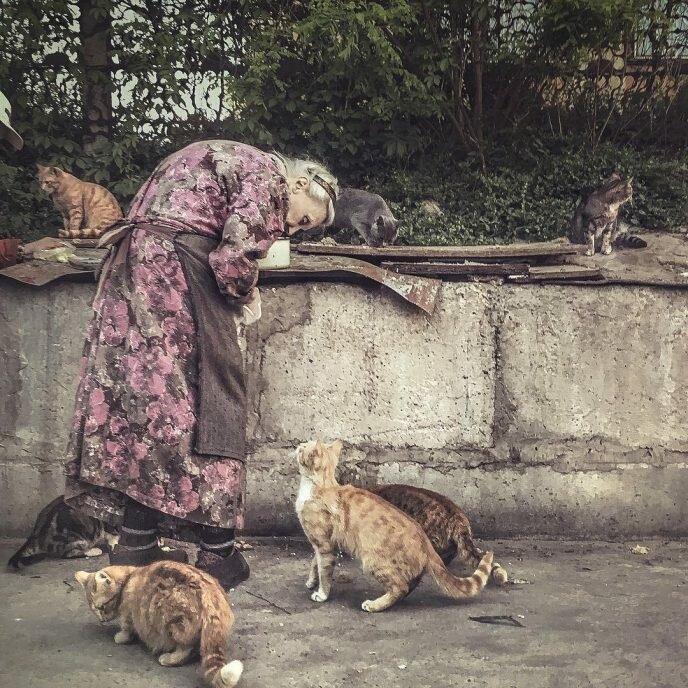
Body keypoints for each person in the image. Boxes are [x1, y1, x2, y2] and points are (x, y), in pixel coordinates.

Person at [64, 140, 338, 589]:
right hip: (173, 271)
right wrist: (248, 292)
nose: (293, 229)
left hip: (132, 267)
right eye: (303, 217)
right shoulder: (269, 175)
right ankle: (217, 552)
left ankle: (137, 540)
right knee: (214, 396)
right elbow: (232, 261)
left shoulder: (227, 154)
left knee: (149, 404)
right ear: (300, 182)